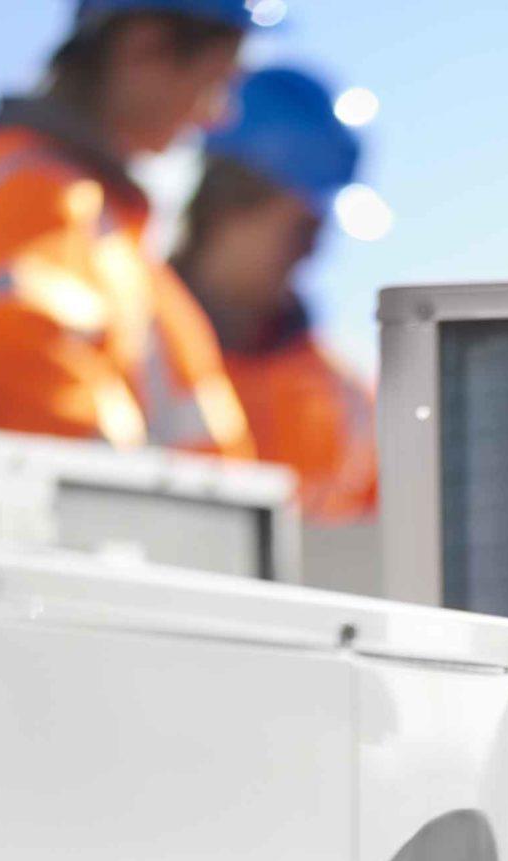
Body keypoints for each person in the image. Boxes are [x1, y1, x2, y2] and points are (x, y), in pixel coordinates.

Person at [0, 0, 267, 456]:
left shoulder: (103, 223)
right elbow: (24, 409)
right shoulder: (34, 195)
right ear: (145, 48)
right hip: (96, 528)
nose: (218, 116)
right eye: (217, 83)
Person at [173, 64, 379, 523]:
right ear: (231, 202)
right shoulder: (125, 343)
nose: (313, 253)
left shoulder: (346, 399)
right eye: (303, 229)